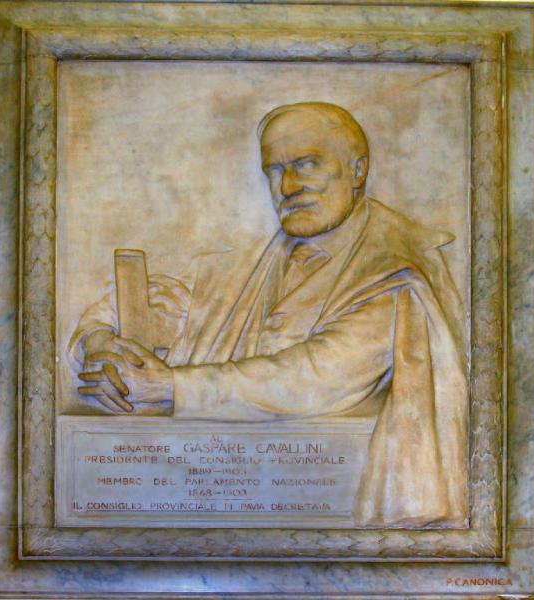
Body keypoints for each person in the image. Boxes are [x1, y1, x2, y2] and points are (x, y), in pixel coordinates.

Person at [69, 102, 469, 527]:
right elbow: (134, 303)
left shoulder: (397, 272)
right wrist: (101, 347)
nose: (288, 186)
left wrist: (169, 386)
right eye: (274, 170)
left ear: (358, 170)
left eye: (308, 164)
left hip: (323, 515)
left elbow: (316, 375)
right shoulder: (241, 266)